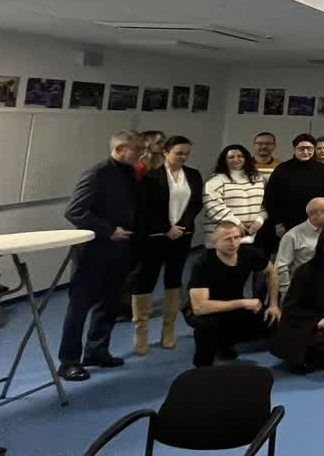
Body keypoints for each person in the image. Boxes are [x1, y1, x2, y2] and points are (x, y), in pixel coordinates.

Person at [57, 130, 142, 381]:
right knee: (80, 306)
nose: (142, 153)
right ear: (120, 149)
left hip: (120, 251)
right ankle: (68, 361)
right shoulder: (96, 174)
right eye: (137, 149)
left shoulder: (130, 173)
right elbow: (74, 211)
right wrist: (109, 230)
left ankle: (96, 351)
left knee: (110, 304)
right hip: (93, 252)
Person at [133, 135, 203, 355]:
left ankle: (169, 329)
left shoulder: (193, 174)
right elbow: (147, 208)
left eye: (186, 153)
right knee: (146, 279)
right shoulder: (151, 177)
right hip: (155, 236)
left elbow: (196, 203)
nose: (183, 157)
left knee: (174, 279)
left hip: (182, 235)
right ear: (165, 152)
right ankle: (141, 331)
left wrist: (181, 226)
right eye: (178, 153)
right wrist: (166, 228)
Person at [186, 222, 280, 367]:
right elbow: (200, 307)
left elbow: (272, 272)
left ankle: (224, 342)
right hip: (202, 311)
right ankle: (203, 363)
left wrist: (273, 305)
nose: (233, 243)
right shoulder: (203, 264)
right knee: (207, 325)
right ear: (215, 243)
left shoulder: (248, 253)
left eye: (236, 238)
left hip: (232, 303)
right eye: (227, 239)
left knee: (272, 320)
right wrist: (243, 303)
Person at [271, 222, 324, 373]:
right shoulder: (305, 271)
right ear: (321, 244)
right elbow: (290, 308)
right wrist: (317, 321)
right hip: (302, 322)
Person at [262, 134, 324, 257]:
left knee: (311, 258)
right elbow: (270, 198)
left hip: (313, 224)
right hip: (286, 224)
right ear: (294, 149)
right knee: (285, 258)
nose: (305, 152)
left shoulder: (320, 169)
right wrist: (278, 223)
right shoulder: (282, 168)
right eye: (301, 148)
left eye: (309, 148)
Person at [203, 144, 266, 246]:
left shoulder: (258, 178)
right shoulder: (215, 180)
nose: (236, 159)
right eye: (231, 157)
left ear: (246, 158)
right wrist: (236, 223)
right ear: (224, 160)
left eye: (240, 156)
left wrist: (259, 220)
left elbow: (265, 204)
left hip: (252, 237)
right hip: (223, 239)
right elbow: (212, 206)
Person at [274, 197, 324, 300]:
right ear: (312, 214)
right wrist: (288, 294)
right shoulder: (292, 236)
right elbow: (281, 267)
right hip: (304, 291)